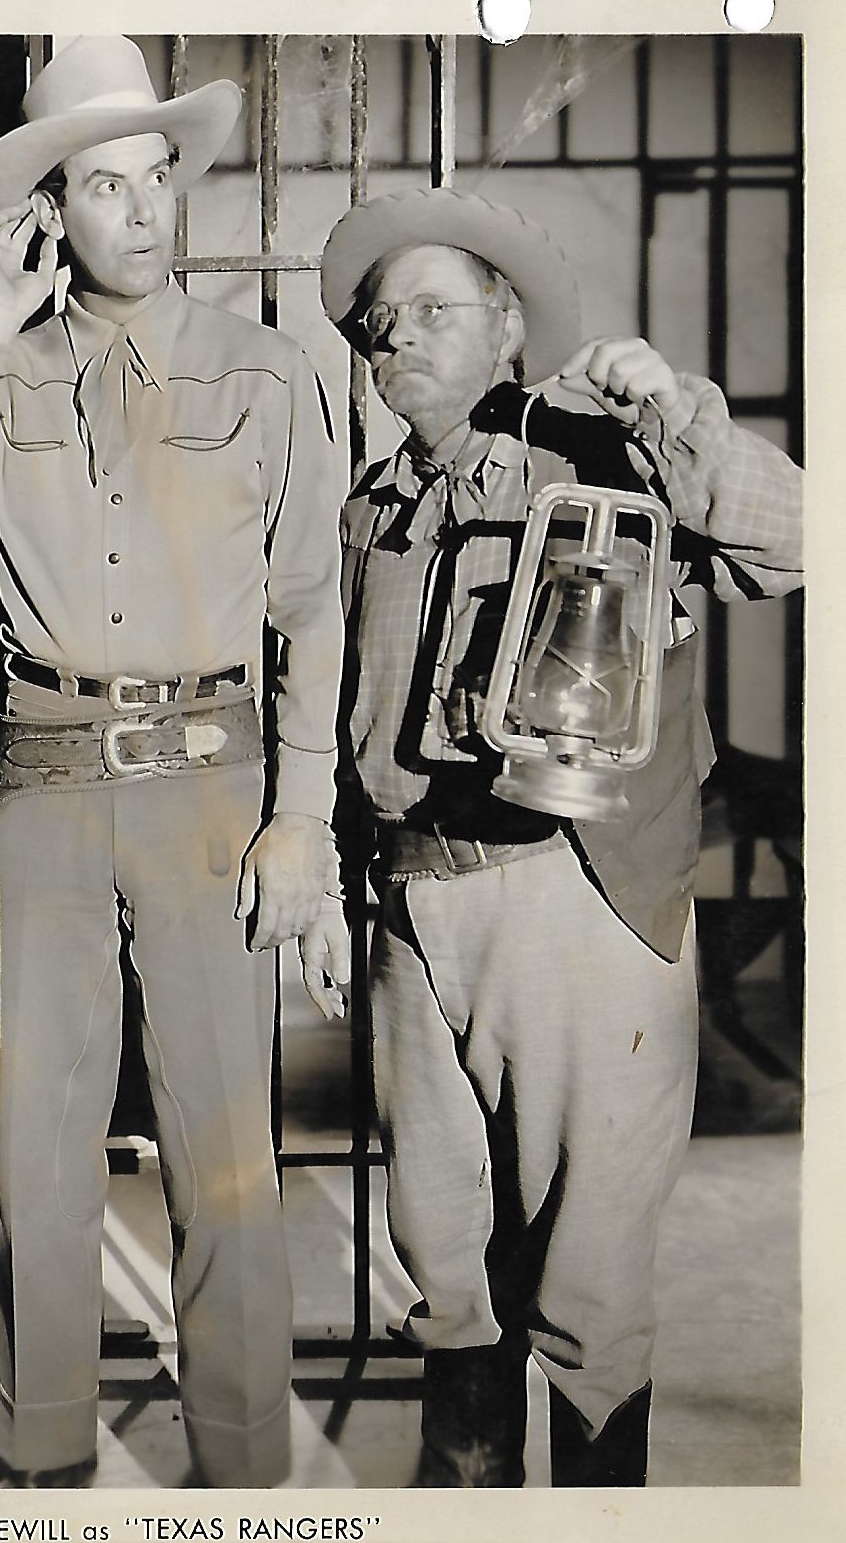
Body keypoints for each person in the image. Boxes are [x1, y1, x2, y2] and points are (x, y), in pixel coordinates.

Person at [0, 36, 348, 1488]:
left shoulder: (269, 373)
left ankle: (247, 1462)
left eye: (159, 179)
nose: (143, 211)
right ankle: (42, 1446)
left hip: (214, 783)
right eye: (103, 185)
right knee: (40, 1144)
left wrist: (306, 815)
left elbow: (313, 606)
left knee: (225, 1158)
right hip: (48, 783)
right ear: (48, 214)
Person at [312, 186, 803, 1486]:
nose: (394, 339)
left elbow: (801, 538)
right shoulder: (373, 505)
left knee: (584, 1285)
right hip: (415, 910)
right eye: (379, 321)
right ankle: (467, 1489)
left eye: (431, 310)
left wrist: (667, 406)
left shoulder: (602, 457)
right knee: (449, 1254)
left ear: (508, 325)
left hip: (573, 901)